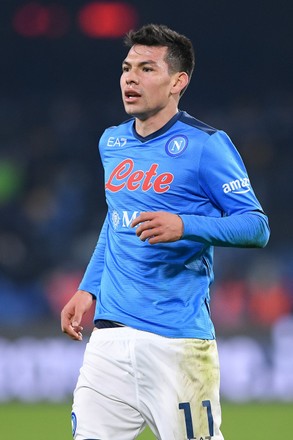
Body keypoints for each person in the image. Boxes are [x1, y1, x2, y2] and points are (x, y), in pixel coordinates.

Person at [61, 24, 270, 440]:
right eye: (126, 68)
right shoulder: (112, 142)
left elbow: (256, 225)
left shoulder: (207, 145)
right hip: (109, 338)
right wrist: (89, 288)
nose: (130, 78)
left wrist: (185, 226)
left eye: (146, 68)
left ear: (178, 82)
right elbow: (116, 220)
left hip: (175, 342)